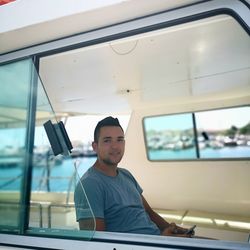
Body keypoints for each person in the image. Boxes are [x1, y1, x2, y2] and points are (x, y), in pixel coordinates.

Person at [74, 116, 194, 237]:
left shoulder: (126, 174)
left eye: (119, 139)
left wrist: (171, 229)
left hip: (158, 240)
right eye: (107, 140)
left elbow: (149, 213)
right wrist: (164, 240)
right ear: (95, 146)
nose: (115, 146)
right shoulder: (89, 185)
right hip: (144, 246)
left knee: (213, 243)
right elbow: (97, 243)